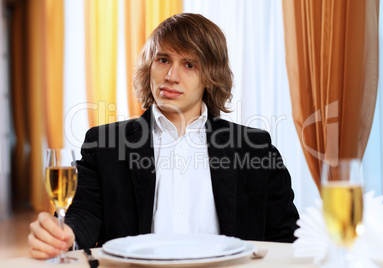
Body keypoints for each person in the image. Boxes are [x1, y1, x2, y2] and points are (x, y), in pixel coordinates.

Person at [28, 13, 299, 259]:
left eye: (189, 64)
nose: (171, 76)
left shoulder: (255, 148)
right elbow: (83, 214)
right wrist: (63, 235)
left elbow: (285, 238)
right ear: (150, 66)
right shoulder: (104, 145)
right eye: (163, 59)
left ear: (211, 76)